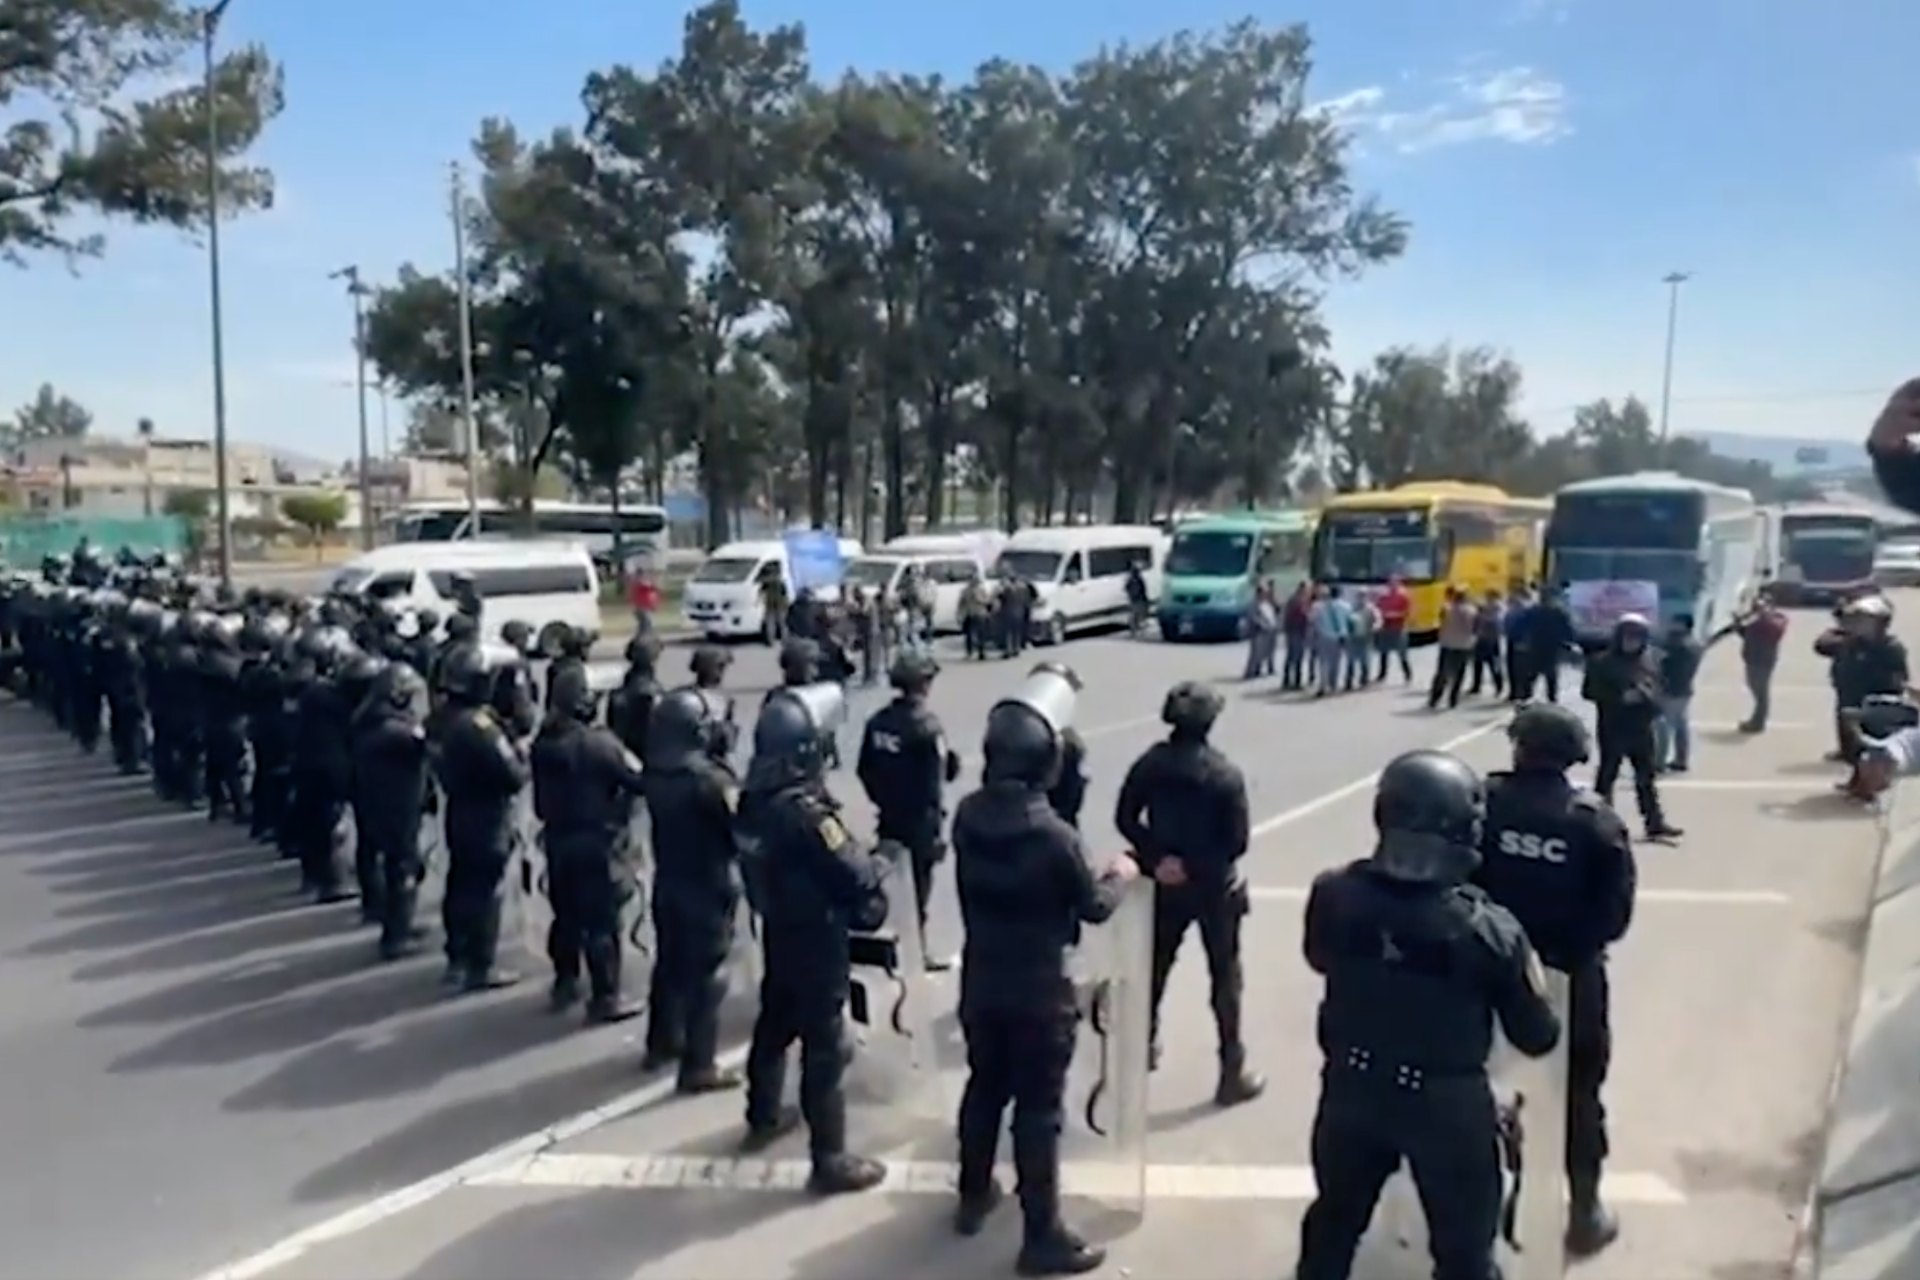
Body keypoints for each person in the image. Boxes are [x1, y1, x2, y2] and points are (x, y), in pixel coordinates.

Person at [1293, 750, 1562, 1280]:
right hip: (1446, 1107)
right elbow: (1537, 1034)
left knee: (1333, 1225)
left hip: (1352, 1088)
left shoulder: (1334, 894)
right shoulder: (1487, 928)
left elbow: (1319, 957)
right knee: (1464, 1256)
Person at [950, 664, 1139, 1276]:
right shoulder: (1054, 836)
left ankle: (973, 1192)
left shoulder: (969, 816)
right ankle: (1042, 1235)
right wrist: (1120, 874)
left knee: (984, 1086)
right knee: (1038, 1111)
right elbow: (1093, 907)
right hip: (1038, 990)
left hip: (981, 978)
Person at [1473, 703, 1637, 1256]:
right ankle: (1584, 1210)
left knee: (1473, 1084)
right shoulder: (1596, 823)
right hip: (1571, 977)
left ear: (1521, 748)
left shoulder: (1483, 804)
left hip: (1484, 970)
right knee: (1579, 1093)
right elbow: (1613, 919)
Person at [736, 682, 894, 1193]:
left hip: (779, 930)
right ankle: (830, 1158)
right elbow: (852, 869)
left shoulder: (753, 799)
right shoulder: (806, 812)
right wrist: (882, 862)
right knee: (824, 1045)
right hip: (816, 935)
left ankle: (762, 1111)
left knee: (776, 1021)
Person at [1114, 680, 1265, 1105]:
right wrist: (1194, 865)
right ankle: (1230, 1070)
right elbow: (1237, 842)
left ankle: (1141, 1048)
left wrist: (1161, 858)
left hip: (1165, 884)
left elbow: (1126, 817)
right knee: (1225, 978)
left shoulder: (1151, 764)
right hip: (1214, 886)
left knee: (1154, 968)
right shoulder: (1224, 774)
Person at [641, 687, 746, 1090]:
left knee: (669, 965)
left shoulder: (656, 771)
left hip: (669, 880)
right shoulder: (710, 780)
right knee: (709, 975)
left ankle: (662, 1042)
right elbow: (739, 829)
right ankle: (700, 1064)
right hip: (708, 884)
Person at [531, 663, 648, 1024]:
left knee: (565, 915)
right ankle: (605, 997)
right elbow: (639, 779)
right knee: (601, 922)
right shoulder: (599, 743)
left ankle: (565, 981)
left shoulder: (544, 740)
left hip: (557, 838)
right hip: (596, 842)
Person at [856, 650, 962, 968]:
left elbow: (865, 769)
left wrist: (884, 800)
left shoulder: (878, 723)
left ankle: (896, 948)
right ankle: (919, 954)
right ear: (923, 685)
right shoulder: (927, 726)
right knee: (919, 893)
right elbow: (935, 783)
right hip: (920, 824)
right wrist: (936, 832)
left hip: (889, 819)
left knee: (891, 887)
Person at [434, 644, 529, 991]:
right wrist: (521, 754)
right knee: (486, 892)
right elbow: (514, 775)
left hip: (459, 811)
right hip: (487, 816)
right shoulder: (480, 728)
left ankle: (457, 956)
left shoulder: (443, 717)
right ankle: (481, 965)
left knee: (461, 885)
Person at [351, 662, 433, 961]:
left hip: (384, 808)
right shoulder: (395, 731)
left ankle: (397, 924)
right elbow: (431, 744)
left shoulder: (372, 721)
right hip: (396, 810)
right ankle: (395, 937)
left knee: (397, 867)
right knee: (403, 870)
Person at [1582, 615, 1681, 841]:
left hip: (1642, 727)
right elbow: (1589, 692)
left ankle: (1654, 823)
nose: (1631, 642)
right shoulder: (1601, 662)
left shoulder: (1650, 660)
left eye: (1636, 637)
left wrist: (1650, 697)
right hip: (1612, 726)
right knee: (1607, 776)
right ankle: (1598, 823)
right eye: (1627, 637)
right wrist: (1619, 697)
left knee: (1646, 778)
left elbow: (1661, 687)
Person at [1731, 589, 1788, 733]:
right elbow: (1746, 633)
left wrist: (1764, 614)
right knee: (1753, 687)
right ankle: (1756, 720)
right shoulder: (1755, 619)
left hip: (1763, 661)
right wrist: (1738, 622)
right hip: (1752, 658)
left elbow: (1774, 630)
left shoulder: (1778, 618)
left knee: (1761, 692)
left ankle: (1758, 722)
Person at [1655, 613, 1702, 773]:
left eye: (1674, 622)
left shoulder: (1675, 645)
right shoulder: (1695, 644)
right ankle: (1681, 759)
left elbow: (1662, 665)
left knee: (1663, 727)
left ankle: (1658, 761)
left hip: (1670, 690)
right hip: (1685, 689)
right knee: (1681, 726)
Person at [1428, 588, 1477, 709]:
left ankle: (1435, 698)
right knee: (1459, 673)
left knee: (1442, 673)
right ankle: (1453, 699)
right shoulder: (1471, 611)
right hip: (1463, 645)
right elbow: (1473, 628)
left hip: (1447, 643)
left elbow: (1440, 622)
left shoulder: (1446, 608)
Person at [1374, 574, 1413, 683]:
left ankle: (1407, 674)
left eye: (1395, 583)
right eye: (1390, 583)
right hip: (1385, 626)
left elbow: (1408, 612)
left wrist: (1395, 614)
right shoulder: (1383, 597)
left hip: (1399, 627)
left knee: (1402, 653)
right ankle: (1382, 674)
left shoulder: (1403, 596)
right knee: (1383, 652)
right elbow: (1378, 609)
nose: (1392, 586)